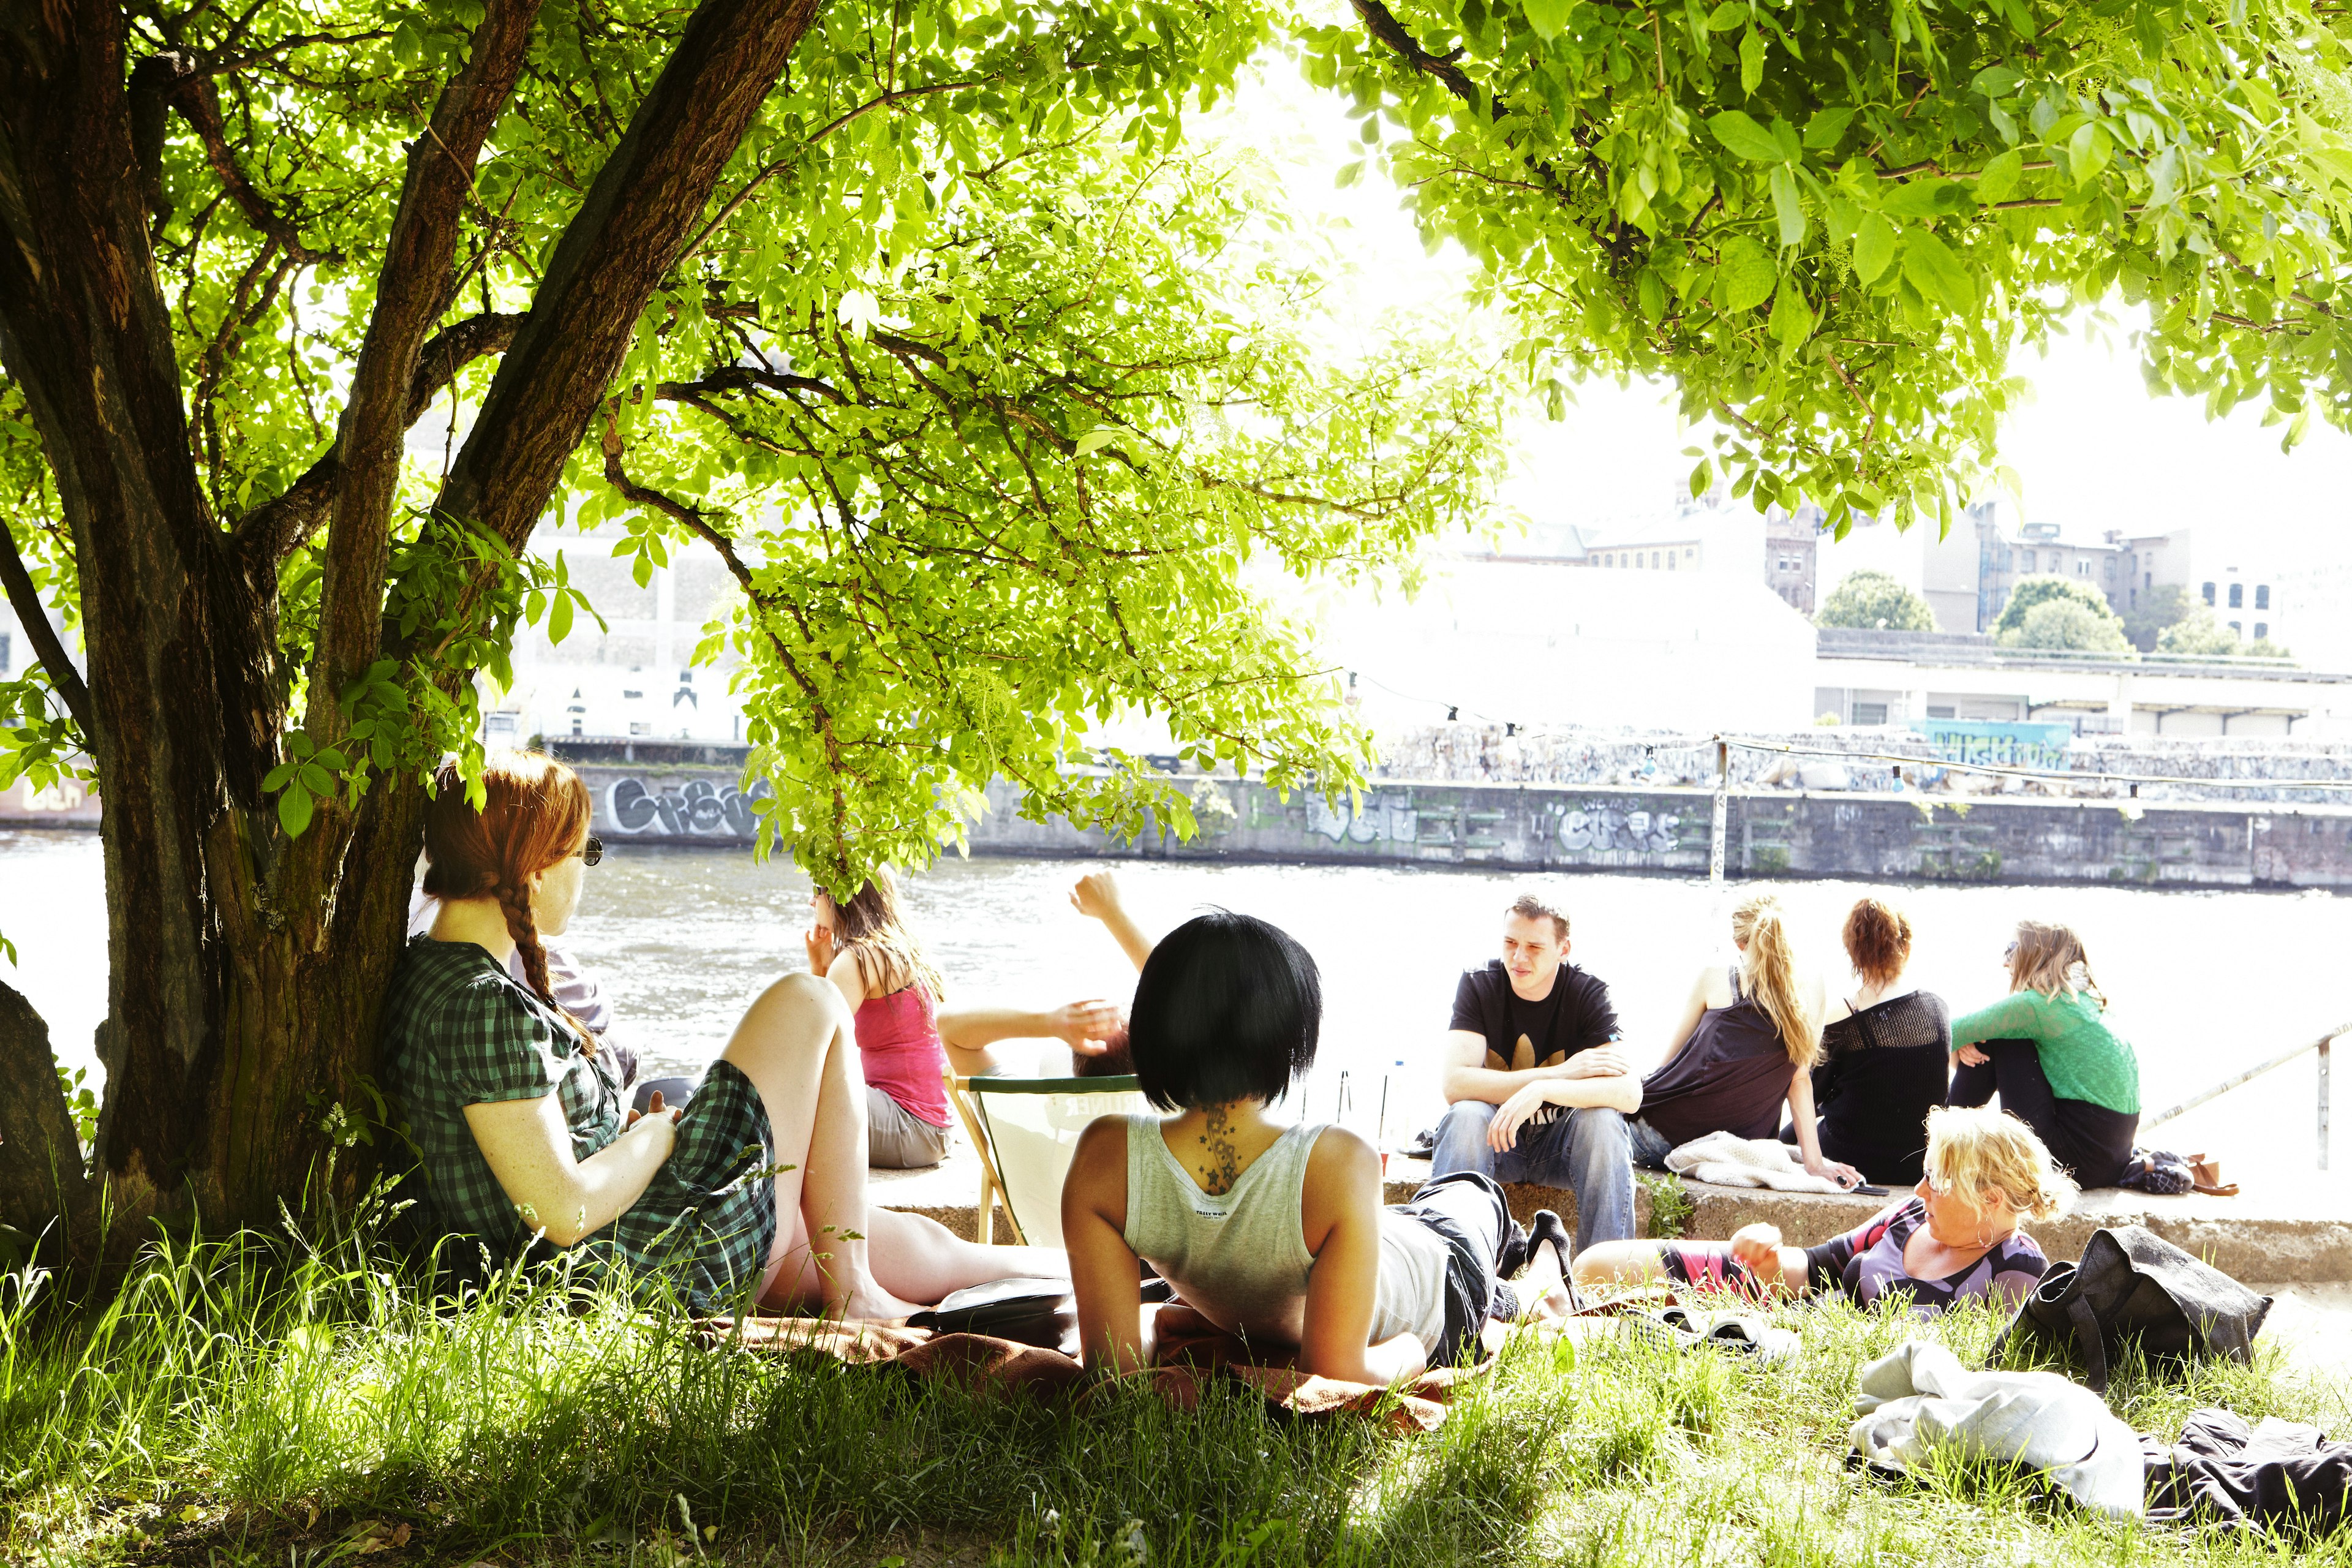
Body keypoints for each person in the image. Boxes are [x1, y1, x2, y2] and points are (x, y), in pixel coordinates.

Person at [381, 752, 1059, 1316]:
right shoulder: (478, 1006)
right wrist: (651, 1140)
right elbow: (564, 1208)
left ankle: (1089, 1268)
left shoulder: (436, 972)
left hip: (637, 1232)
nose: (586, 869)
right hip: (646, 1263)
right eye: (581, 853)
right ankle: (856, 1297)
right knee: (809, 999)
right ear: (532, 870)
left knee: (891, 1236)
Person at [1063, 910, 1581, 1379]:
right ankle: (1543, 1277)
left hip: (1413, 1255)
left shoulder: (1104, 1158)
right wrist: (1413, 1352)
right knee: (1473, 1193)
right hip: (1439, 1285)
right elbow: (1338, 1374)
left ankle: (1540, 1267)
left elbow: (1114, 1370)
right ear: (1290, 1041)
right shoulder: (1336, 1161)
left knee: (1458, 1199)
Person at [1574, 1105, 2067, 1316]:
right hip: (1790, 1308)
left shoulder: (2017, 1272)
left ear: (1992, 1199)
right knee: (1596, 1266)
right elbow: (1816, 1266)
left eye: (1938, 1181)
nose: (1919, 1191)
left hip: (1789, 1347)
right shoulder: (1911, 1218)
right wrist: (1768, 1254)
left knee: (1619, 1316)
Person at [1428, 892, 1641, 1256]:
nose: (1518, 957)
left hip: (1561, 1147)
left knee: (1603, 1123)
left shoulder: (1589, 993)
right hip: (1496, 1138)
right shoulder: (1480, 983)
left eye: (1534, 947)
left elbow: (1628, 1093)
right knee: (1465, 1116)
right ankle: (1450, 1272)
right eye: (1510, 943)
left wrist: (1545, 1089)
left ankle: (1607, 1278)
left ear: (1563, 949)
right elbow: (1455, 1084)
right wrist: (1560, 1074)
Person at [1632, 891, 1860, 1188]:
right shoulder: (1813, 986)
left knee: (1574, 1127)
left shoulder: (1715, 977)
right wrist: (1814, 1163)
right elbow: (1799, 1079)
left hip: (1662, 1136)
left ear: (1739, 943)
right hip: (1738, 1148)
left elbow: (1667, 1068)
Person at [1945, 921, 2141, 1189]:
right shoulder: (2089, 1002)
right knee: (2002, 1030)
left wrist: (1963, 1040)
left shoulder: (2039, 1005)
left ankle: (1944, 1148)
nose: (2006, 962)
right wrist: (1963, 1039)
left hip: (2070, 1164)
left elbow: (1943, 1033)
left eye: (2011, 950)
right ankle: (1949, 1144)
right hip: (2112, 1163)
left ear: (2035, 954)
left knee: (2001, 1036)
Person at [1781, 898, 1951, 1186]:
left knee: (1786, 1137)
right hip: (1919, 1165)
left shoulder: (1843, 1015)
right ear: (1905, 948)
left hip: (1854, 1159)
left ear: (1853, 953)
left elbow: (1810, 1091)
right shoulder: (1939, 1007)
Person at [805, 869, 960, 1169]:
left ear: (843, 898)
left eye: (819, 891)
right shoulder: (902, 948)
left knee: (793, 1092)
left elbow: (813, 1044)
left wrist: (824, 970)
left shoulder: (857, 960)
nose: (812, 902)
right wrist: (821, 967)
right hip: (936, 1126)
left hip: (912, 1127)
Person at [933, 870, 1150, 1078]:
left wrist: (1051, 1024)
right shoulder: (1171, 1111)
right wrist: (1113, 913)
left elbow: (948, 1025)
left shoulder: (1019, 1108)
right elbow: (1178, 990)